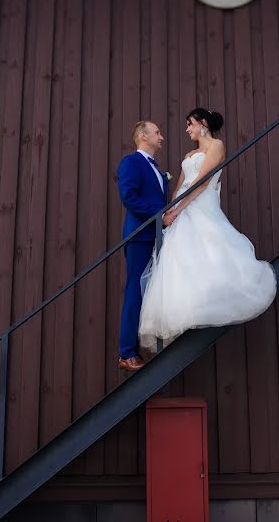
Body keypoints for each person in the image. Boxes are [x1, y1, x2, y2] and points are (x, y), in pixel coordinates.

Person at [138, 108, 276, 349]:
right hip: (181, 206)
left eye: (190, 124)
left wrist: (179, 209)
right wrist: (170, 209)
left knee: (209, 249)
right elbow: (179, 186)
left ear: (202, 123)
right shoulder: (190, 153)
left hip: (201, 205)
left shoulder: (217, 146)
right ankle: (185, 308)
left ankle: (209, 302)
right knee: (179, 258)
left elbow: (201, 182)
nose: (187, 129)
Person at [116, 120, 170, 371]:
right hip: (139, 236)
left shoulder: (158, 170)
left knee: (155, 290)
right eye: (157, 132)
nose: (161, 136)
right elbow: (129, 197)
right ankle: (127, 353)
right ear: (143, 136)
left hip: (157, 238)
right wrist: (161, 214)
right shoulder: (131, 163)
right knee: (135, 290)